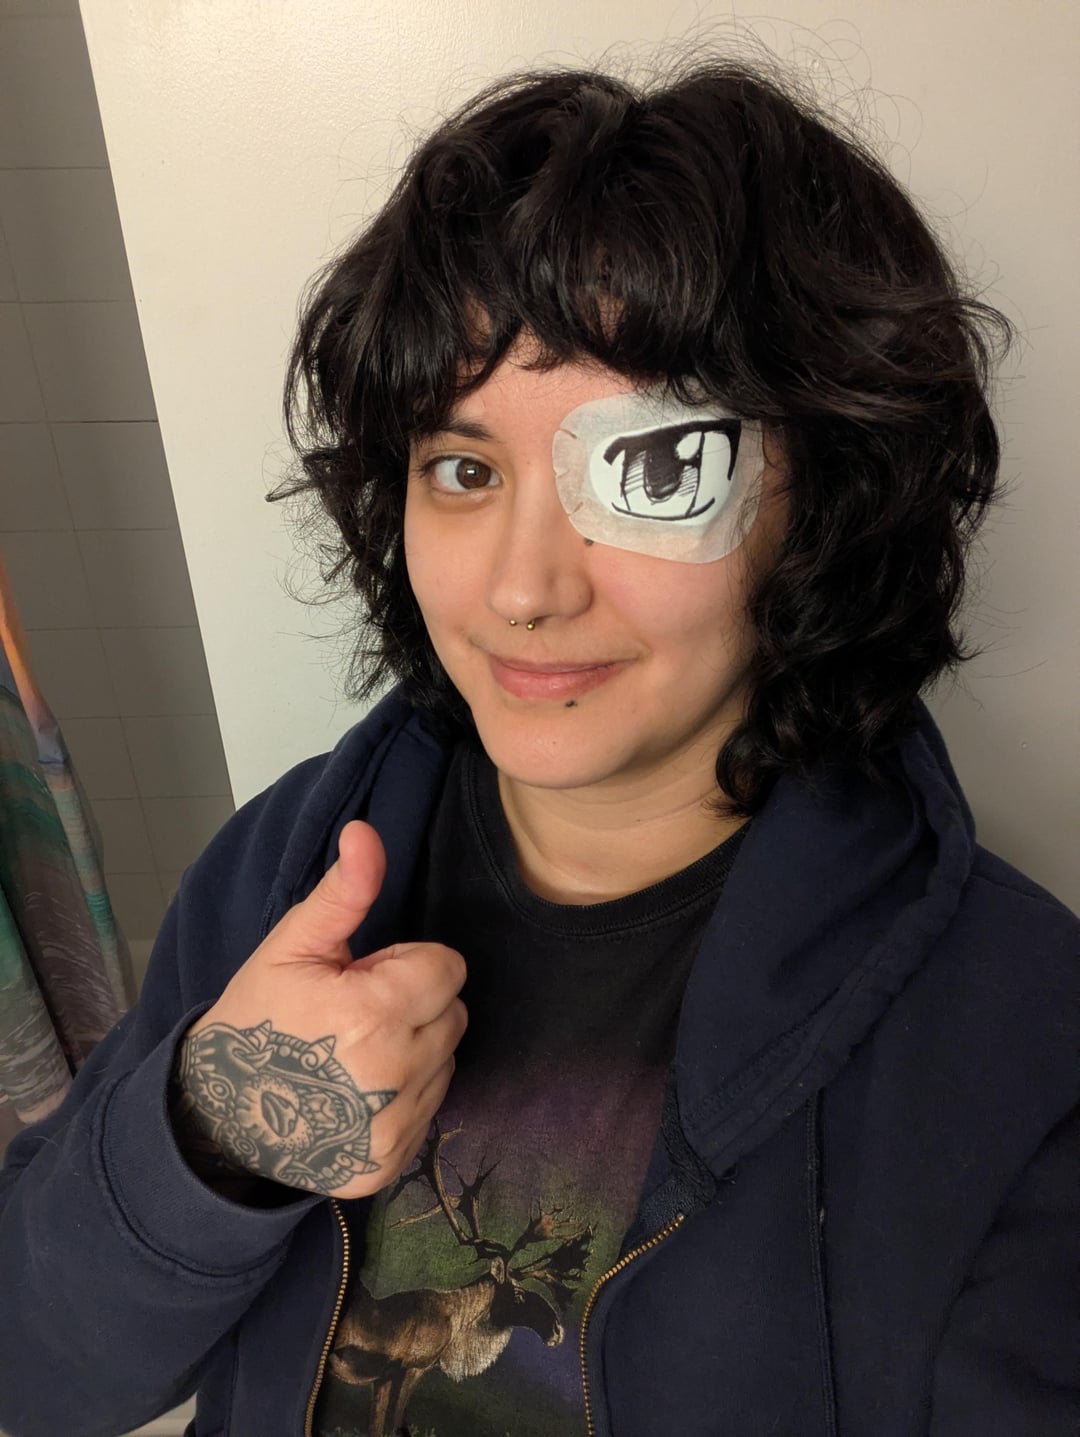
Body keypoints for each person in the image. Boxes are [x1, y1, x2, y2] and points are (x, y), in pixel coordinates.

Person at [1, 57, 1078, 1437]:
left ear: (825, 499)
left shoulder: (1014, 1039)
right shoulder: (289, 866)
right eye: (463, 470)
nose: (522, 588)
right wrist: (209, 1138)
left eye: (650, 471)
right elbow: (32, 1370)